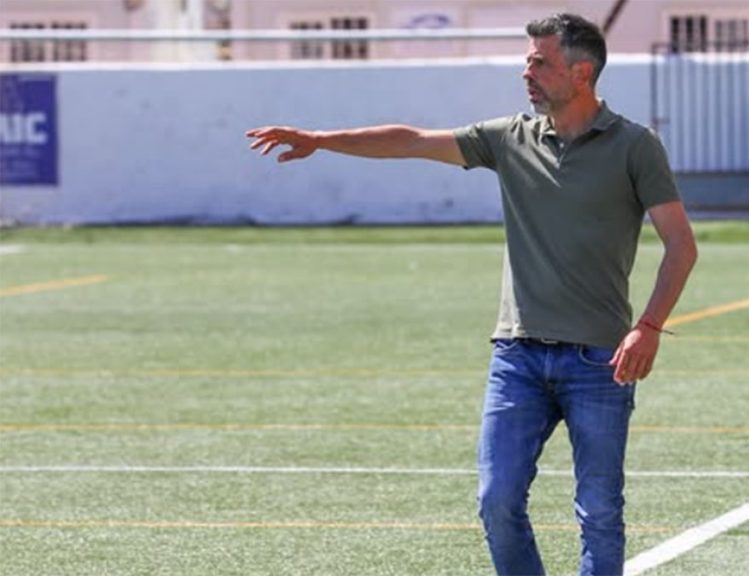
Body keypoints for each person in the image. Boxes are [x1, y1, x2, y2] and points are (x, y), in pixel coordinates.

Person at [246, 13, 698, 576]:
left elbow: (680, 245)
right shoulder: (508, 139)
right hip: (517, 356)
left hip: (598, 361)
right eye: (527, 59)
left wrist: (648, 326)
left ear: (582, 73)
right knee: (497, 500)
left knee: (600, 511)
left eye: (540, 62)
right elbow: (410, 141)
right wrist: (320, 140)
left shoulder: (635, 146)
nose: (525, 71)